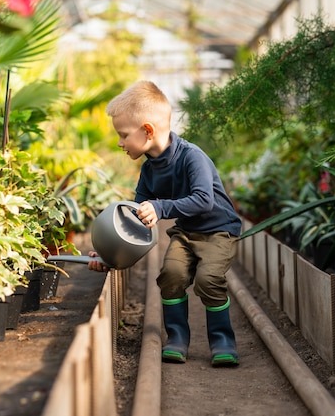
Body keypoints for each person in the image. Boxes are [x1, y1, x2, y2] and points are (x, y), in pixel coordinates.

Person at [88, 80, 242, 366]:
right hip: (186, 232)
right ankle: (177, 338)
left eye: (123, 135)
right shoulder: (148, 170)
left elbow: (203, 200)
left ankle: (222, 340)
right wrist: (110, 255)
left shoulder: (191, 157)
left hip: (219, 231)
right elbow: (134, 223)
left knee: (209, 280)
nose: (119, 143)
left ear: (147, 130)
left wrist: (160, 207)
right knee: (171, 275)